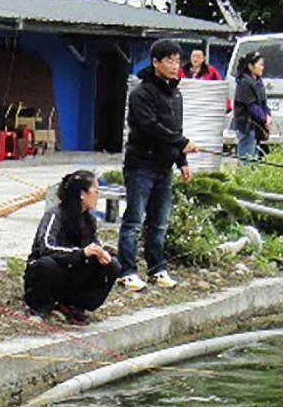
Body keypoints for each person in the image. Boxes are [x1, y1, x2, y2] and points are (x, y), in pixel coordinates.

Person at [118, 38, 199, 292]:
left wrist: (182, 160)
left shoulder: (176, 94)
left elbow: (175, 129)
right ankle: (127, 271)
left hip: (164, 168)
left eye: (178, 60)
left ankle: (157, 269)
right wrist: (182, 142)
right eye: (169, 60)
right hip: (141, 165)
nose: (175, 66)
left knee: (160, 222)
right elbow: (151, 127)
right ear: (156, 62)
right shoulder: (140, 93)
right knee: (134, 220)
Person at [24, 169, 120, 322]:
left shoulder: (89, 219)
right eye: (95, 191)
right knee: (46, 265)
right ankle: (40, 306)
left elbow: (94, 244)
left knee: (112, 266)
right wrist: (81, 253)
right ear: (82, 194)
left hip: (72, 269)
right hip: (51, 268)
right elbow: (46, 248)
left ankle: (75, 305)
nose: (98, 195)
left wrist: (102, 253)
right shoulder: (55, 214)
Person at [232, 51, 271, 164]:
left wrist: (268, 116)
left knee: (254, 159)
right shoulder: (244, 82)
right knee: (247, 160)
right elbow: (251, 105)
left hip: (256, 127)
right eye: (260, 64)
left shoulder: (257, 82)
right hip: (247, 126)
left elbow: (263, 103)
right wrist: (264, 119)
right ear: (250, 66)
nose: (262, 67)